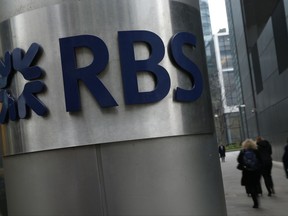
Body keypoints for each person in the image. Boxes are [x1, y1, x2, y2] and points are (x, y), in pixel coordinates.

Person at [237, 139, 262, 208]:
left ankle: (255, 202)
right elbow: (260, 160)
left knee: (250, 186)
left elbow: (239, 160)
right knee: (256, 184)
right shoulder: (256, 151)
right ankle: (257, 194)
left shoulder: (243, 152)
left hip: (247, 172)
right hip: (256, 171)